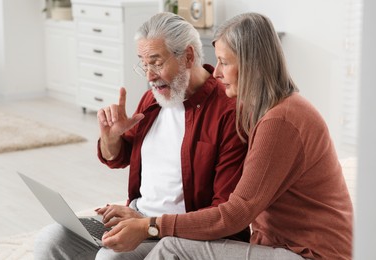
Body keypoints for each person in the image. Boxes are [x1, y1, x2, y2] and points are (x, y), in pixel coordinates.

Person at [100, 12, 353, 260]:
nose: (217, 72)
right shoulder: (273, 111)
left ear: (251, 64)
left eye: (225, 62)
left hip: (310, 253)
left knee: (169, 249)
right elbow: (120, 154)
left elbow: (234, 214)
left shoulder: (279, 120)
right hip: (278, 245)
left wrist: (150, 225)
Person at [33, 12, 249, 260]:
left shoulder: (229, 112)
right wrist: (111, 138)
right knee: (51, 238)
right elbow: (119, 156)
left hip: (180, 235)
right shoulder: (153, 100)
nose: (149, 76)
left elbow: (223, 211)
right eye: (144, 64)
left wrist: (148, 223)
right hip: (136, 218)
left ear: (188, 56)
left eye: (156, 62)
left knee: (111, 257)